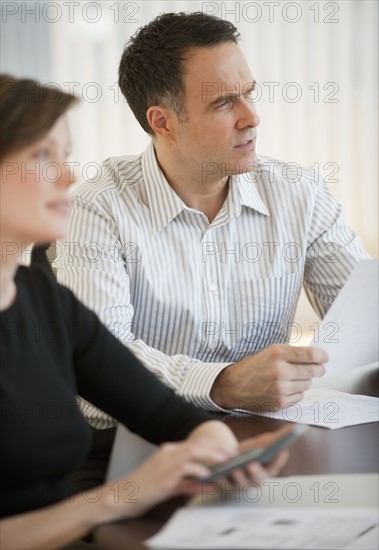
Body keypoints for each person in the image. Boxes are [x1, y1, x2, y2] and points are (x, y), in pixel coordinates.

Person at [0, 74, 289, 550]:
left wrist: (217, 448)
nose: (69, 177)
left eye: (65, 156)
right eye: (42, 155)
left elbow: (165, 413)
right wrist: (123, 496)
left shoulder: (46, 301)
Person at [55, 10, 368, 431]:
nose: (251, 117)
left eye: (249, 94)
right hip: (138, 440)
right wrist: (221, 384)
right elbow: (95, 373)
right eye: (224, 102)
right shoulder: (98, 209)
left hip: (264, 433)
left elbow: (367, 323)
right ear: (162, 122)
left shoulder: (299, 194)